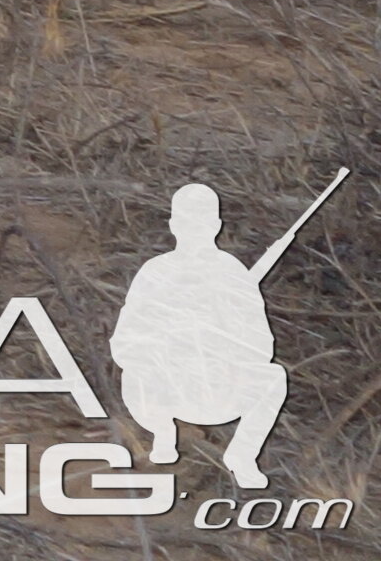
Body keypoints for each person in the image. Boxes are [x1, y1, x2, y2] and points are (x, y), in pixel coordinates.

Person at [110, 180, 298, 490]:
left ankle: (242, 456)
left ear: (216, 225)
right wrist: (166, 342)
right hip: (165, 387)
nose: (193, 229)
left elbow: (262, 347)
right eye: (186, 221)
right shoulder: (154, 272)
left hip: (218, 387)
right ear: (173, 225)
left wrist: (223, 336)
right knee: (134, 373)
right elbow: (124, 342)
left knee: (273, 377)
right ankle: (163, 433)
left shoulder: (233, 274)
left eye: (201, 221)